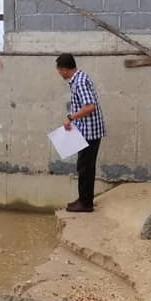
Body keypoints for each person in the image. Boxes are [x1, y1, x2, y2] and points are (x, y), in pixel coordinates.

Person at [55, 53, 106, 213]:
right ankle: (84, 199)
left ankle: (86, 204)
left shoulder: (80, 81)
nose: (59, 74)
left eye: (58, 70)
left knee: (85, 167)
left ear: (64, 69)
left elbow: (90, 106)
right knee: (84, 166)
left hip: (90, 132)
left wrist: (70, 117)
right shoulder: (79, 79)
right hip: (85, 131)